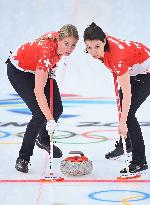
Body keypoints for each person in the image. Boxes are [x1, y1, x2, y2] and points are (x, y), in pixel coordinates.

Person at [6, 24, 79, 173]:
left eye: (73, 45)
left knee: (57, 108)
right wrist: (50, 120)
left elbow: (45, 40)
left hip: (38, 67)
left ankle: (43, 139)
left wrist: (50, 66)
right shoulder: (46, 55)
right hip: (19, 70)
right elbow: (38, 91)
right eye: (66, 44)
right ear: (59, 40)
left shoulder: (54, 39)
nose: (69, 49)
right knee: (39, 114)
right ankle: (23, 157)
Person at [83, 22, 150, 173]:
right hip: (131, 68)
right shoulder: (101, 40)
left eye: (97, 47)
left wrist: (123, 122)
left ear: (104, 42)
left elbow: (127, 93)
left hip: (146, 72)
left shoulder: (116, 57)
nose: (93, 52)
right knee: (123, 111)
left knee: (128, 114)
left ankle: (140, 161)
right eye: (89, 47)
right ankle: (126, 144)